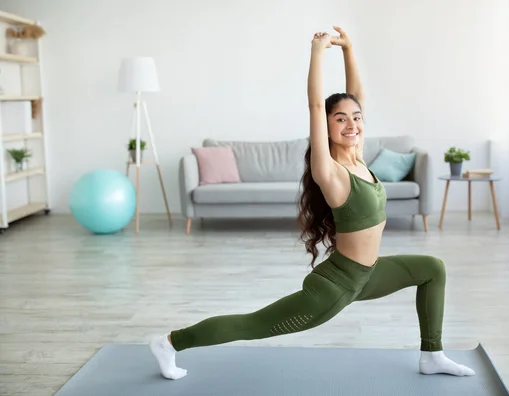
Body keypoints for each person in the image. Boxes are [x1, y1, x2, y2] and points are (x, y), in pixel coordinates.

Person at [149, 26, 475, 380]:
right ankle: (169, 343)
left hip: (369, 274)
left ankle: (432, 355)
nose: (351, 124)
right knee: (254, 324)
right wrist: (318, 52)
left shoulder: (359, 158)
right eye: (340, 119)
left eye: (356, 117)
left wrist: (349, 49)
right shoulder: (330, 171)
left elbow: (356, 95)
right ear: (327, 127)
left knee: (432, 268)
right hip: (335, 288)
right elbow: (315, 104)